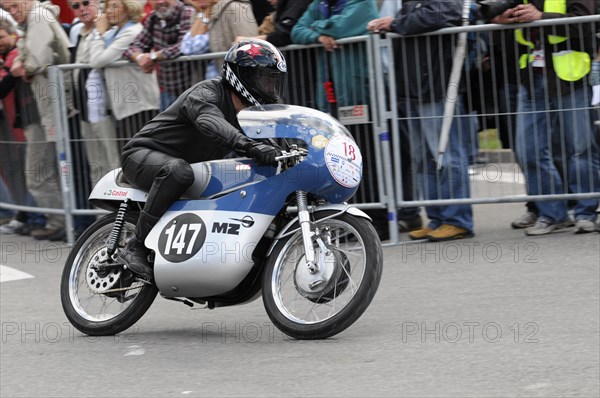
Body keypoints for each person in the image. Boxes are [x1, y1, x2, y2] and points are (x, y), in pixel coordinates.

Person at [118, 38, 285, 280]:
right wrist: (248, 146)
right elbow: (210, 122)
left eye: (274, 80)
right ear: (245, 75)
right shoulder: (206, 92)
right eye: (266, 78)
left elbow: (269, 145)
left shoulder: (252, 115)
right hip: (141, 156)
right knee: (178, 171)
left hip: (190, 172)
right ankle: (136, 245)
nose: (271, 86)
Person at [367, 0, 475, 242]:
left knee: (446, 155)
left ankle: (457, 219)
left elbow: (444, 13)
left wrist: (395, 23)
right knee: (423, 158)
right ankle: (437, 218)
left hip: (436, 87)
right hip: (414, 89)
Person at [492, 0, 599, 235]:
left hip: (569, 77)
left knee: (580, 149)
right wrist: (498, 21)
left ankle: (586, 214)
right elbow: (494, 12)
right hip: (530, 78)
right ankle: (552, 214)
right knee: (528, 150)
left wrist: (541, 16)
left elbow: (583, 22)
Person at [1, 0, 72, 241]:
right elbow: (24, 62)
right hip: (41, 109)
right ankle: (61, 221)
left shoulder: (38, 17)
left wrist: (25, 65)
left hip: (50, 105)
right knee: (44, 171)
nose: (12, 12)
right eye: (7, 8)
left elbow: (33, 61)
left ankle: (63, 222)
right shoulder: (31, 22)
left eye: (14, 5)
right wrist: (23, 63)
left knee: (44, 171)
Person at [87, 0, 160, 157]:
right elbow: (90, 55)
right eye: (107, 7)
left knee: (141, 158)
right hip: (124, 108)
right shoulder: (112, 34)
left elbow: (96, 60)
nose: (108, 11)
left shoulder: (132, 32)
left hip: (140, 107)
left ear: (128, 9)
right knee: (131, 159)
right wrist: (100, 34)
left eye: (115, 6)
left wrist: (99, 33)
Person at [291, 0, 377, 114]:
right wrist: (317, 37)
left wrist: (314, 26)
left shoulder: (362, 2)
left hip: (357, 91)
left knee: (360, 130)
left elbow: (340, 28)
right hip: (328, 89)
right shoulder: (319, 4)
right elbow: (296, 31)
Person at [124, 0, 195, 111]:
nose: (160, 1)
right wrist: (140, 58)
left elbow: (184, 47)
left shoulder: (187, 13)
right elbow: (133, 47)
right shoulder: (153, 18)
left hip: (193, 91)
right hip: (167, 93)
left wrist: (153, 56)